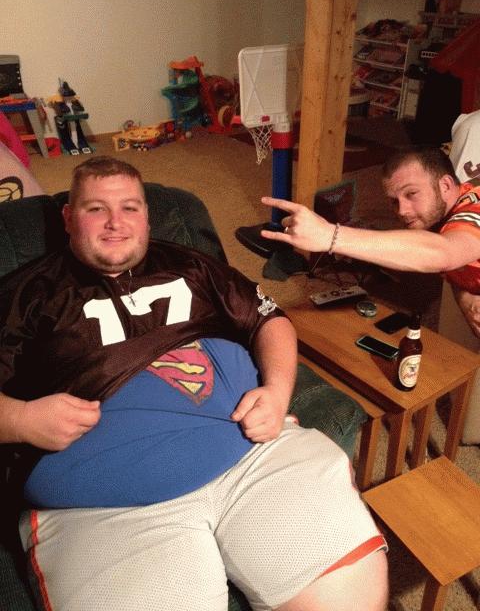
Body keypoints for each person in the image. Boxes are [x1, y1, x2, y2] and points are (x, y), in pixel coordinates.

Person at [0, 156, 387, 611]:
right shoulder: (26, 293)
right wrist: (21, 419)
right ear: (68, 217)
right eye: (95, 209)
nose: (115, 223)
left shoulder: (190, 264)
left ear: (147, 216)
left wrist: (278, 391)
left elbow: (269, 320)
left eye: (129, 208)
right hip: (104, 510)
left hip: (255, 455)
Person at [262, 147, 480, 338]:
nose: (402, 211)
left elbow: (444, 253)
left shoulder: (474, 210)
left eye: (411, 193)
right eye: (394, 201)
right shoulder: (441, 219)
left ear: (445, 185)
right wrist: (465, 297)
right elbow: (456, 257)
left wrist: (330, 235)